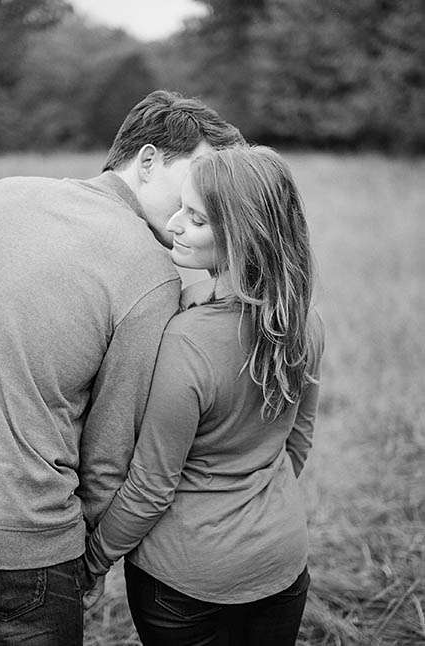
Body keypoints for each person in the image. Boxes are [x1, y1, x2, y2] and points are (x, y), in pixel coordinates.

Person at [0, 90, 244, 645]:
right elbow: (111, 456)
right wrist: (90, 564)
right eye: (198, 177)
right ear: (150, 160)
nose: (205, 200)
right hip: (29, 547)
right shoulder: (149, 271)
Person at [84, 146, 324, 645]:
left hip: (185, 583)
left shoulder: (187, 342)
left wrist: (93, 560)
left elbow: (151, 487)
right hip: (280, 565)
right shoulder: (304, 322)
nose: (173, 224)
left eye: (195, 219)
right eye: (181, 209)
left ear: (239, 236)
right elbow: (296, 445)